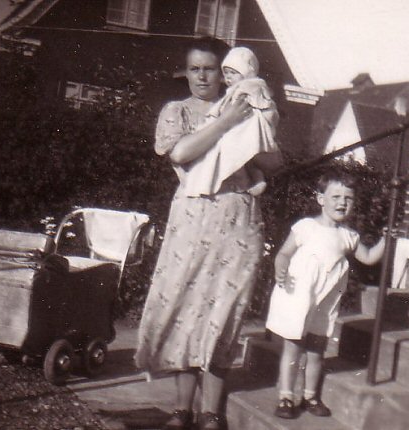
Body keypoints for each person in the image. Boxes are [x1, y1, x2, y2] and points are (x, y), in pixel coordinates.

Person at [134, 37, 279, 430]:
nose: (202, 76)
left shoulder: (247, 103)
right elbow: (180, 153)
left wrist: (249, 127)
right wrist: (227, 122)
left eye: (210, 69)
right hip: (192, 219)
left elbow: (274, 160)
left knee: (225, 311)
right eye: (194, 69)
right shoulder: (177, 110)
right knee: (186, 308)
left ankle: (212, 412)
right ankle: (182, 410)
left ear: (225, 72)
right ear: (186, 72)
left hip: (238, 220)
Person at [265, 170, 386, 419]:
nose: (342, 203)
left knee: (316, 349)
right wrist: (280, 267)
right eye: (336, 197)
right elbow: (284, 253)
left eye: (348, 198)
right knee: (293, 348)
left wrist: (387, 240)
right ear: (321, 199)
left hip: (326, 300)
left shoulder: (348, 236)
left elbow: (368, 257)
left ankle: (310, 396)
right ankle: (286, 397)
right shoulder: (306, 227)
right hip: (300, 295)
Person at [195, 45, 280, 197]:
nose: (228, 78)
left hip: (248, 127)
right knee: (245, 158)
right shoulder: (240, 87)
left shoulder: (249, 87)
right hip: (242, 126)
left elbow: (241, 108)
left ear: (246, 73)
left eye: (233, 73)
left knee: (232, 149)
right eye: (226, 73)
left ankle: (244, 180)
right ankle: (256, 179)